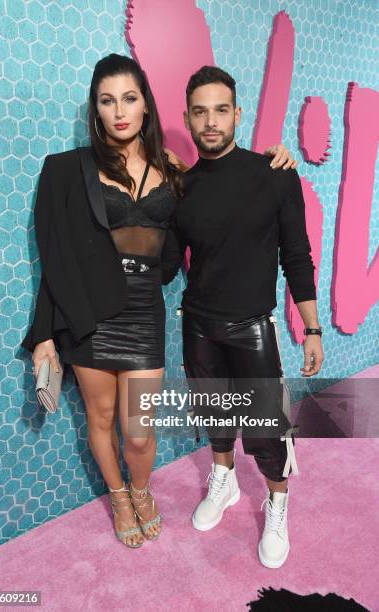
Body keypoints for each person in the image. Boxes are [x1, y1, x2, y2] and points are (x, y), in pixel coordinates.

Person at [21, 53, 297, 549]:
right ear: (96, 109)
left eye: (129, 98)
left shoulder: (173, 170)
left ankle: (142, 488)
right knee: (100, 419)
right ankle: (120, 495)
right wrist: (44, 335)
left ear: (146, 106)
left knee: (139, 431)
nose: (119, 110)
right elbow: (54, 256)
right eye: (107, 101)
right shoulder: (66, 170)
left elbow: (218, 204)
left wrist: (276, 160)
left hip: (143, 313)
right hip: (88, 314)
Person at [169, 66, 324, 568]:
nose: (210, 121)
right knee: (215, 419)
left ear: (237, 114)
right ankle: (225, 480)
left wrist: (312, 328)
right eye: (200, 112)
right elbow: (169, 263)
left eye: (220, 110)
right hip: (197, 323)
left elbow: (296, 257)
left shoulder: (274, 174)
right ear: (188, 120)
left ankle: (277, 503)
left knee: (265, 430)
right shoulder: (183, 188)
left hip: (253, 324)